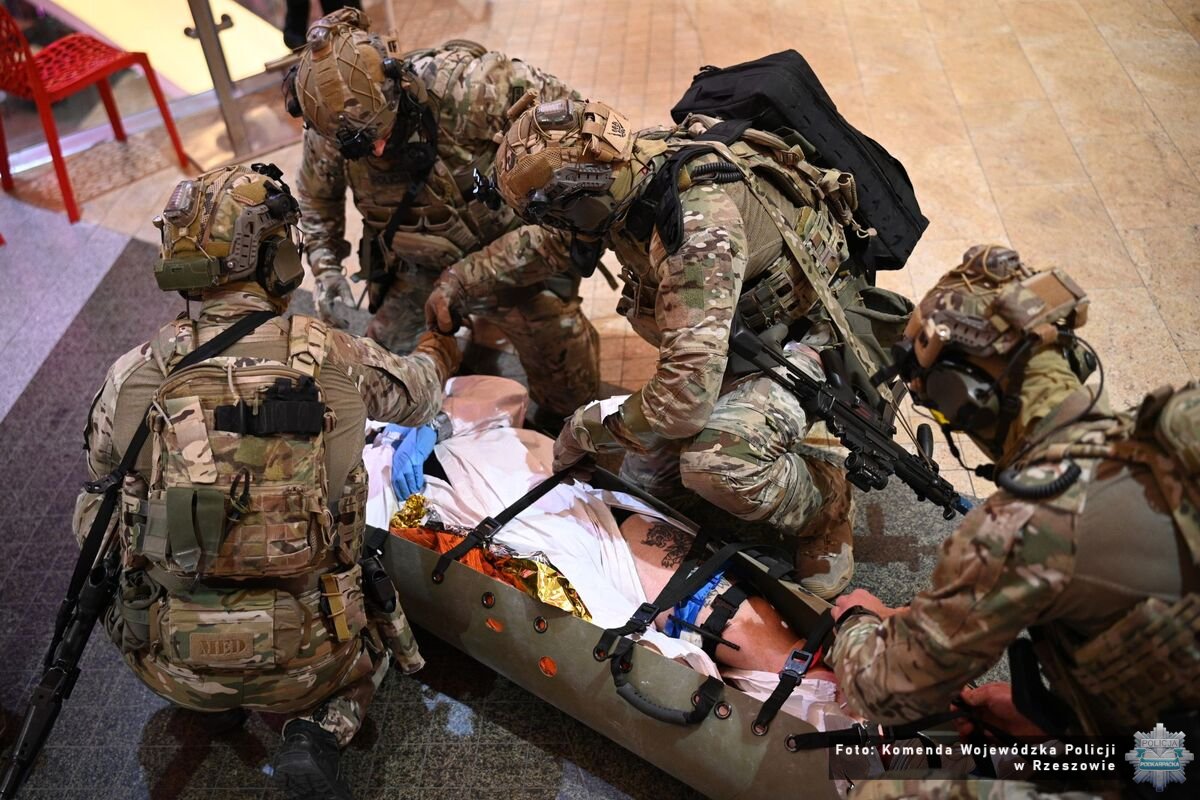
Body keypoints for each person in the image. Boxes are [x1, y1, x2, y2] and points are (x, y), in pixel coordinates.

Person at [73, 163, 461, 800]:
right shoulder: (330, 354)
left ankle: (205, 695)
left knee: (97, 509)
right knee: (372, 640)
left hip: (169, 657)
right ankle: (320, 730)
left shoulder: (134, 373)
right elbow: (420, 397)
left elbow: (99, 488)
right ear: (278, 261)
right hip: (309, 658)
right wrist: (437, 346)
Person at [429, 97, 914, 598]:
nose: (556, 227)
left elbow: (683, 401)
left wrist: (591, 425)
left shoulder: (696, 220)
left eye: (556, 215)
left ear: (580, 199)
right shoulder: (621, 178)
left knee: (716, 466)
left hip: (808, 344)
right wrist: (458, 282)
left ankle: (827, 506)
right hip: (736, 341)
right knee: (643, 485)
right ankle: (746, 434)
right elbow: (539, 247)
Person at [829, 245, 1200, 750]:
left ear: (964, 394)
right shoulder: (1171, 439)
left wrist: (858, 619)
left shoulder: (1026, 526)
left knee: (883, 782)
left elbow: (881, 691)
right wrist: (1061, 723)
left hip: (1166, 763)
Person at [284, 8, 599, 427]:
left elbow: (586, 160)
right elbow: (315, 199)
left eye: (383, 133)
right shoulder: (330, 128)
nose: (378, 151)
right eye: (363, 146)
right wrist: (326, 275)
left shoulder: (476, 87)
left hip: (508, 264)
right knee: (382, 384)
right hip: (418, 268)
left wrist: (467, 277)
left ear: (398, 85)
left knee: (570, 398)